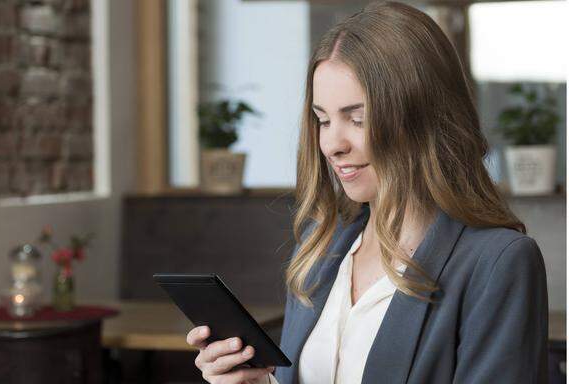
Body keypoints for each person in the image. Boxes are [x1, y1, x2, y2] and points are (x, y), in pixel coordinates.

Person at [186, 1, 549, 383]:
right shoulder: (319, 248)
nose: (331, 144)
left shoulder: (498, 263)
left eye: (357, 119)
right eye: (322, 120)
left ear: (422, 118)